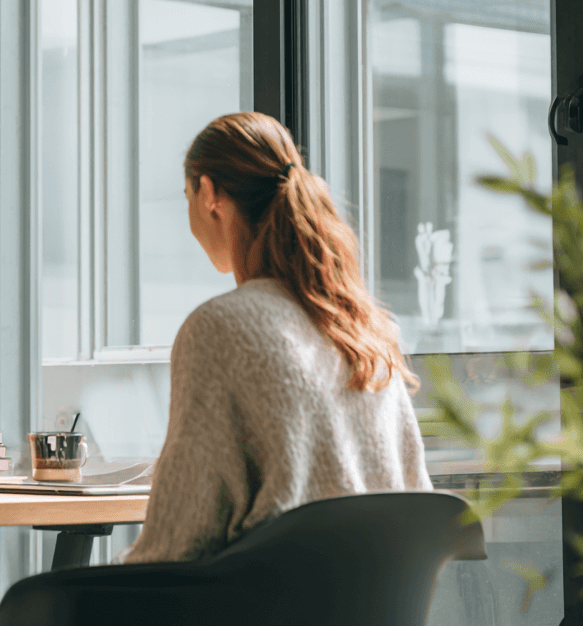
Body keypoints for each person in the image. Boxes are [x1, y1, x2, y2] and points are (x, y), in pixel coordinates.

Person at [123, 112, 431, 565]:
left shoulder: (219, 327)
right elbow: (416, 504)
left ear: (208, 194)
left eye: (186, 195)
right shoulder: (365, 329)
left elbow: (176, 544)